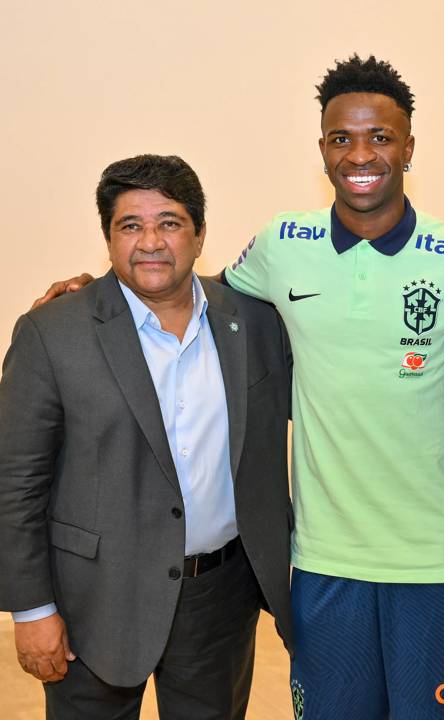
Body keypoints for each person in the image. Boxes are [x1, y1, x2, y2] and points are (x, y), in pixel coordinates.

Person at [33, 56, 444, 720]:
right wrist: (97, 295)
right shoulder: (284, 243)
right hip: (321, 560)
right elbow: (193, 290)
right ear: (322, 150)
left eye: (381, 137)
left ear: (409, 147)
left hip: (437, 562)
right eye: (342, 138)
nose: (361, 153)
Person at [0, 154, 293, 719]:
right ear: (108, 238)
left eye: (170, 222)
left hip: (220, 594)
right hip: (96, 598)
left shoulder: (254, 320)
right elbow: (16, 482)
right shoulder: (53, 331)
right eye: (130, 225)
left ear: (201, 233)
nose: (150, 242)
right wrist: (32, 610)